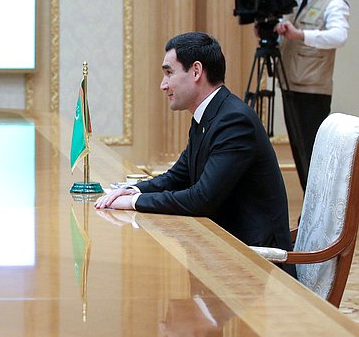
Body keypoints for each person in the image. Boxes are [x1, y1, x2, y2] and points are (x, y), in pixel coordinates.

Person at [94, 32, 295, 262]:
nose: (163, 85)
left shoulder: (234, 121)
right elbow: (178, 176)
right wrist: (134, 191)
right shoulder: (210, 115)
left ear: (196, 71)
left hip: (255, 263)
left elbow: (202, 199)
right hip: (221, 249)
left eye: (169, 73)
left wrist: (132, 203)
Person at [275, 0, 350, 191]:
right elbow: (285, 33)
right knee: (299, 152)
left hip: (313, 88)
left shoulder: (334, 2)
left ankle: (319, 207)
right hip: (289, 83)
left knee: (312, 153)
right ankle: (310, 205)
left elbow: (339, 36)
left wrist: (301, 35)